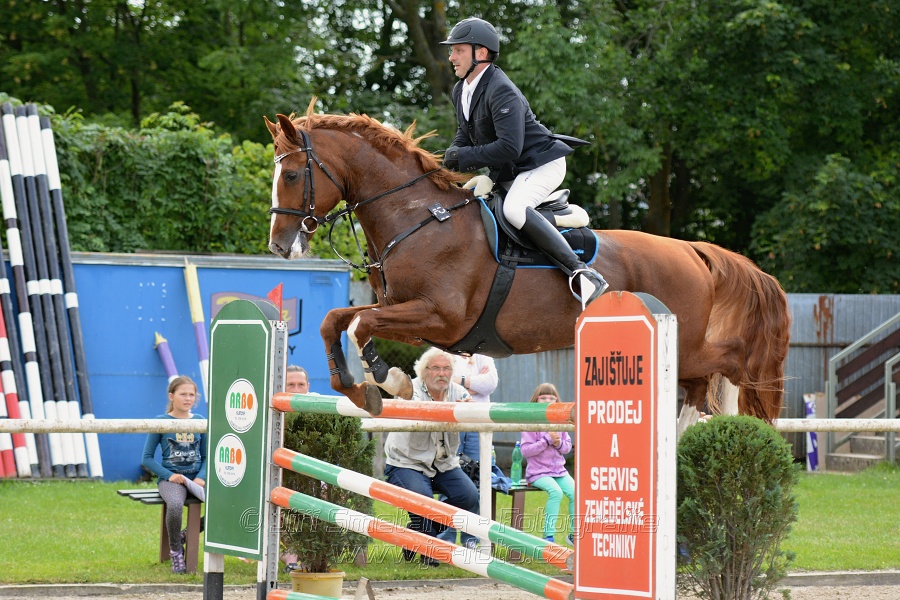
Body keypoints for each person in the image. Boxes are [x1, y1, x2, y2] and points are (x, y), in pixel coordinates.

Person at [439, 17, 609, 306]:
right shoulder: (462, 90)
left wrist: (464, 156)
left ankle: (583, 273)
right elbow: (464, 134)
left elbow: (509, 147)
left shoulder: (500, 89)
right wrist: (448, 161)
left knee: (515, 210)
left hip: (541, 164)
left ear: (480, 53)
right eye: (452, 50)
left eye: (458, 50)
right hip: (512, 170)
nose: (451, 56)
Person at [383, 347, 479, 565]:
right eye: (436, 368)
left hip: (444, 465)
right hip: (406, 464)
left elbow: (471, 408)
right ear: (424, 371)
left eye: (447, 369)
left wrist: (468, 409)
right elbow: (408, 402)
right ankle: (430, 551)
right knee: (424, 502)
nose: (442, 373)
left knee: (469, 497)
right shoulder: (411, 389)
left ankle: (413, 535)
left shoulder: (458, 392)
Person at [141, 376, 207, 573]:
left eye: (191, 395)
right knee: (176, 506)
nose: (188, 399)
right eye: (183, 394)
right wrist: (169, 476)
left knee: (225, 505)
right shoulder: (161, 422)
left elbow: (206, 455)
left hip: (197, 479)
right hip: (172, 481)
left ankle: (184, 535)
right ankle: (176, 552)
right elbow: (147, 458)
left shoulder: (200, 421)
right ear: (171, 396)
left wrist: (201, 477)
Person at [437, 354, 498, 549]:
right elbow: (444, 385)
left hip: (478, 423)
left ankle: (470, 538)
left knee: (475, 480)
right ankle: (446, 538)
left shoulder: (484, 356)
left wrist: (460, 381)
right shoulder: (445, 352)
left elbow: (490, 384)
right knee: (449, 477)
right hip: (453, 421)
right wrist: (472, 384)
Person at [520, 383, 575, 545]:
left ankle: (573, 535)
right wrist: (546, 440)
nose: (547, 401)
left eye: (552, 398)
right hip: (538, 472)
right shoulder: (531, 423)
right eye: (543, 398)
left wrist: (558, 443)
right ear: (535, 401)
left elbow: (567, 448)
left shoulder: (561, 421)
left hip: (559, 471)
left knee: (576, 493)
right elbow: (526, 451)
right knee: (556, 493)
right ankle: (548, 537)